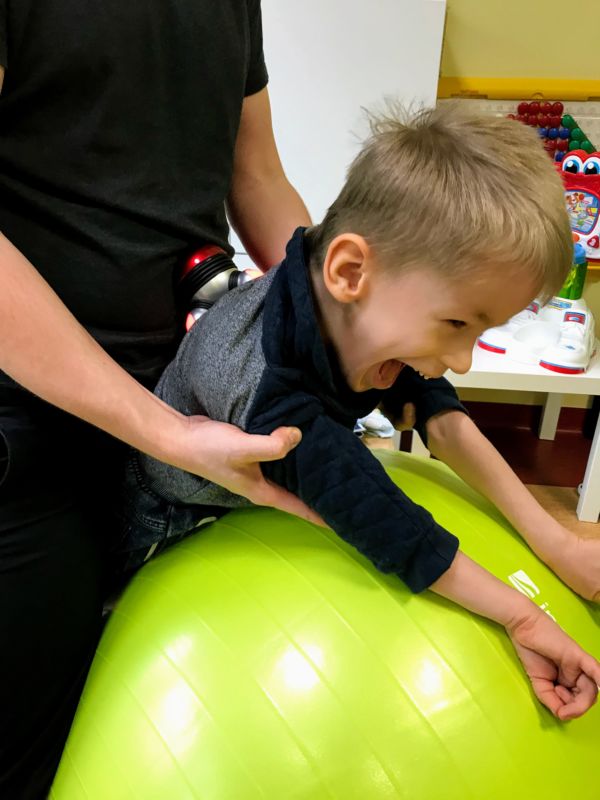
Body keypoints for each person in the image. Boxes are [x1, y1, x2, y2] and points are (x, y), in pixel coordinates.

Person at [118, 105, 600, 723]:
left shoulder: (357, 304)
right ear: (350, 272)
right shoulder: (270, 396)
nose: (462, 360)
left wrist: (557, 542)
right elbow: (390, 526)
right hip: (171, 513)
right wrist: (522, 617)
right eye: (457, 324)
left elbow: (443, 420)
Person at [0, 2, 328, 797]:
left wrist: (336, 327)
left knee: (148, 718)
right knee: (27, 750)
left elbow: (256, 177)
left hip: (180, 401)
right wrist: (165, 431)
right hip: (28, 431)